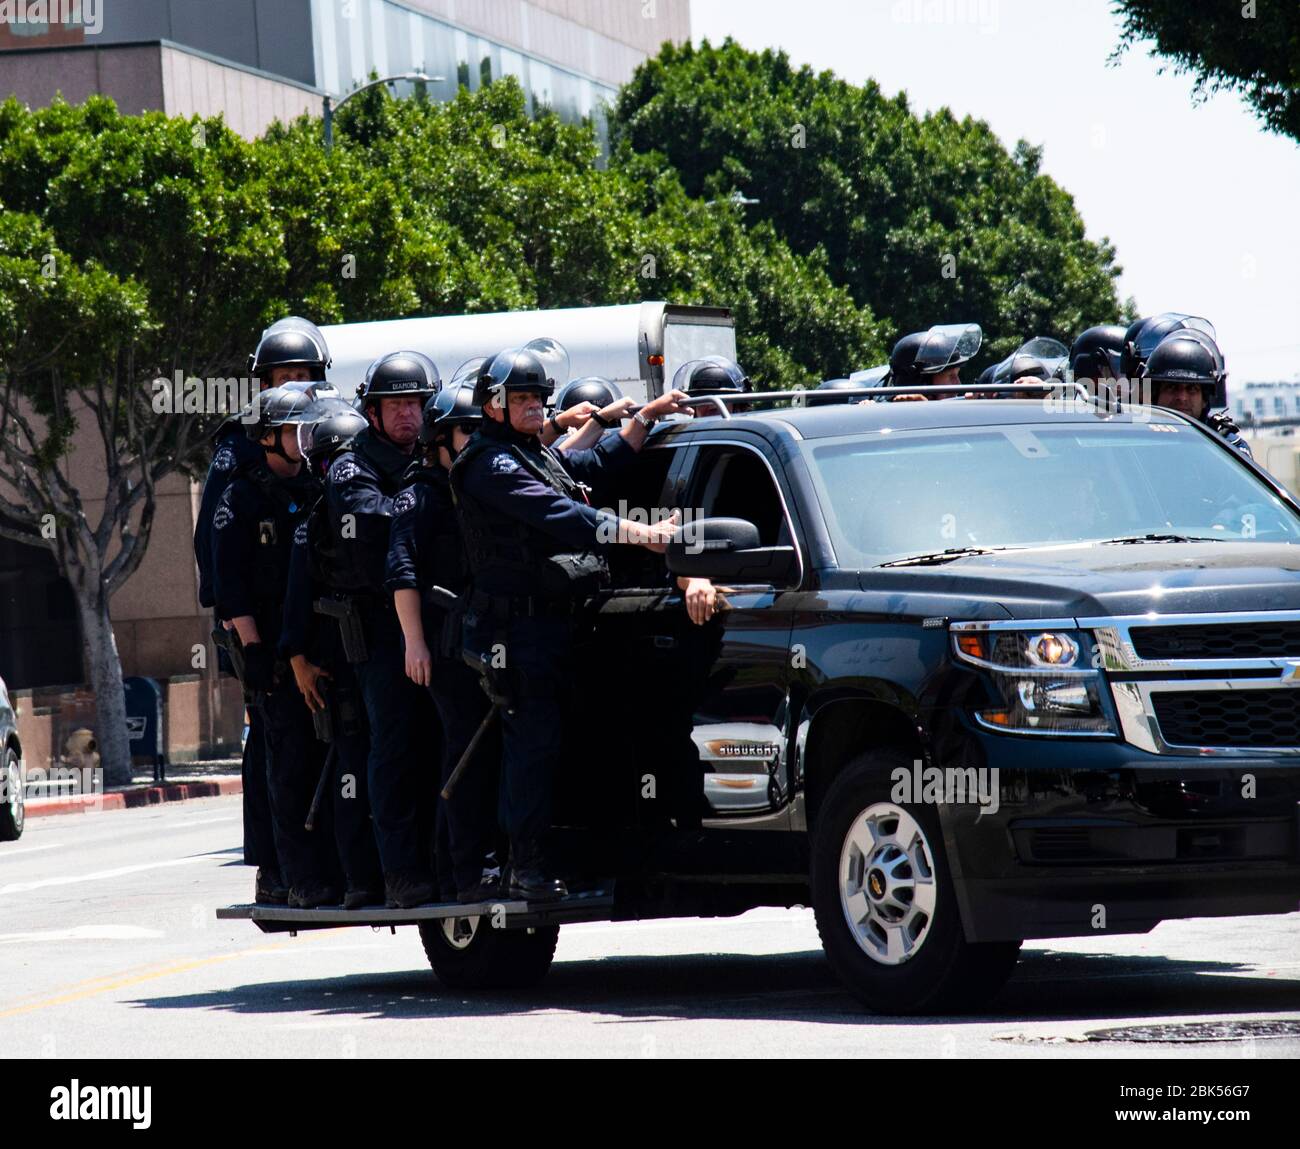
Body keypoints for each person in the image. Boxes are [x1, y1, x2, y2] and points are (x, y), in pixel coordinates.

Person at [449, 346, 687, 900]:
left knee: (560, 745)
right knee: (531, 747)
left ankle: (566, 856)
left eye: (537, 397)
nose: (533, 407)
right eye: (521, 398)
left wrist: (643, 420)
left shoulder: (529, 452)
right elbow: (562, 514)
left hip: (553, 629)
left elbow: (587, 469)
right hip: (513, 636)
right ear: (495, 406)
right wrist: (641, 534)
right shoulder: (490, 464)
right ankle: (521, 867)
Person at [195, 318, 331, 904]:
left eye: (304, 376)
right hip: (259, 627)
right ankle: (276, 867)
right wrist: (242, 637)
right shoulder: (242, 448)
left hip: (315, 625)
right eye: (285, 376)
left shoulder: (325, 435)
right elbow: (216, 549)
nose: (296, 385)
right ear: (265, 380)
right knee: (277, 748)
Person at [322, 351, 442, 908]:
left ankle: (442, 860)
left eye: (415, 404)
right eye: (395, 404)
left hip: (432, 620)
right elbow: (365, 517)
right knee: (391, 750)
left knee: (440, 742)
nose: (407, 415)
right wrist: (422, 506)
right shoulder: (352, 465)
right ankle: (398, 874)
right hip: (379, 630)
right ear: (372, 411)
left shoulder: (429, 456)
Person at [387, 382, 500, 903]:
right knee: (464, 757)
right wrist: (415, 643)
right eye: (466, 429)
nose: (476, 438)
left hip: (489, 639)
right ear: (441, 437)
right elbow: (403, 573)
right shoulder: (420, 495)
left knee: (488, 753)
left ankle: (485, 863)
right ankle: (463, 874)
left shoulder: (473, 485)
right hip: (446, 647)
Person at [284, 399, 385, 909]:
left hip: (370, 656)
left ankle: (373, 876)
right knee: (349, 772)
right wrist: (298, 659)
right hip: (335, 664)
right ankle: (359, 879)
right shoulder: (315, 522)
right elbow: (297, 601)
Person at [1141, 328, 1251, 456]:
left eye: (1192, 389)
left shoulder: (1228, 447)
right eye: (1171, 387)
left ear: (1204, 399)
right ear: (1155, 395)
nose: (1182, 397)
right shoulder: (1133, 440)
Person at [883, 323, 982, 400]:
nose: (958, 384)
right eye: (950, 376)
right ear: (922, 382)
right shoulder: (884, 414)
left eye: (957, 375)